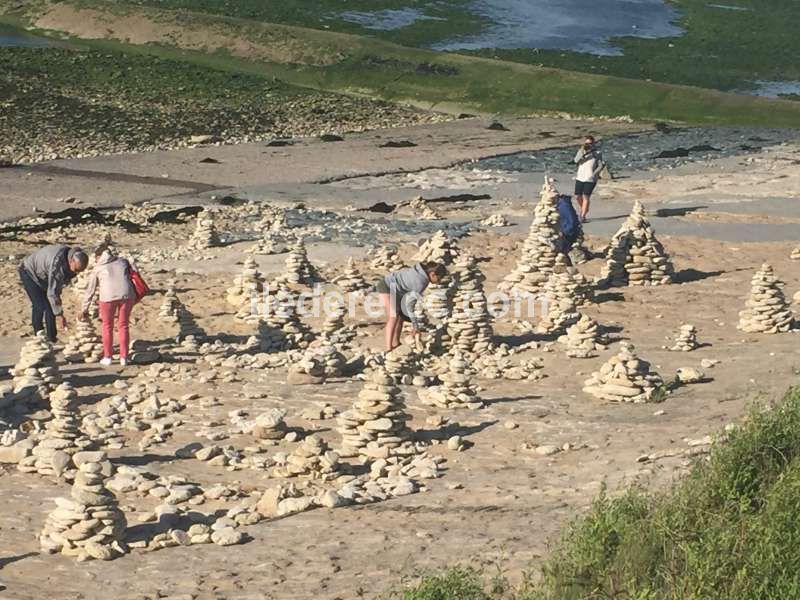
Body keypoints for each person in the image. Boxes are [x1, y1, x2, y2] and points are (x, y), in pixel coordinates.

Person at [19, 245, 88, 342]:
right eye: (76, 270)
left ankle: (51, 338)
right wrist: (59, 314)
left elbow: (56, 289)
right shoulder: (58, 265)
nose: (77, 273)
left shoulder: (72, 258)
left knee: (51, 307)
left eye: (81, 271)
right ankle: (39, 337)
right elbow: (53, 293)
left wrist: (57, 309)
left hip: (44, 276)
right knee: (39, 305)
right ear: (71, 261)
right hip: (29, 272)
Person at [81, 246, 136, 367]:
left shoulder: (98, 268)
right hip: (127, 295)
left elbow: (90, 290)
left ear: (99, 256)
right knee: (123, 325)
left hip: (108, 298)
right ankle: (124, 357)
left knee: (107, 326)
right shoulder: (122, 261)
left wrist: (84, 309)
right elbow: (134, 272)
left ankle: (108, 357)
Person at [375, 261, 447, 351]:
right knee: (393, 316)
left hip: (398, 290)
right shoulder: (420, 283)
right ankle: (388, 348)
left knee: (400, 317)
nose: (439, 281)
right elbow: (410, 305)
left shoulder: (421, 272)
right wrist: (415, 326)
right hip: (387, 286)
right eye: (439, 278)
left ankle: (396, 343)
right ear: (432, 274)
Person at [573, 135, 606, 222]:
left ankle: (582, 215)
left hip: (590, 178)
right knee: (577, 196)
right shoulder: (581, 151)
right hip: (580, 176)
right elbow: (575, 161)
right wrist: (582, 152)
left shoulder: (597, 153)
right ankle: (585, 208)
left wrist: (594, 174)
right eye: (587, 143)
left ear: (593, 143)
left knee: (586, 196)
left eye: (590, 143)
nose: (589, 145)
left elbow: (600, 165)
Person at [556, 194, 582, 260]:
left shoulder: (563, 206)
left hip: (568, 234)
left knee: (561, 247)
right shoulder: (564, 204)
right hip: (568, 231)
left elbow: (572, 221)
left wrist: (564, 231)